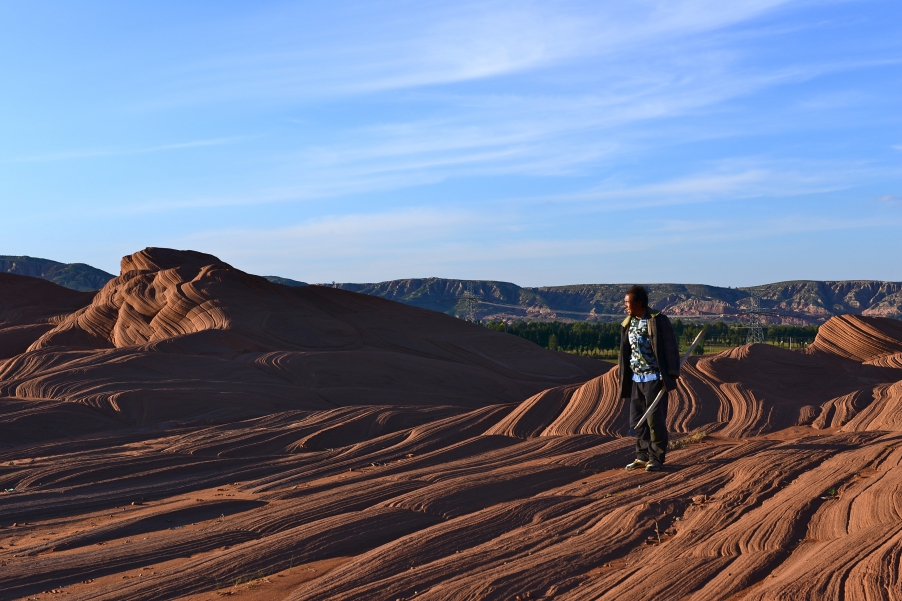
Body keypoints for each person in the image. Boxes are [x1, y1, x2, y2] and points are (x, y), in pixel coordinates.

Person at [619, 285, 681, 472]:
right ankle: (642, 456)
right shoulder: (628, 322)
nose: (625, 307)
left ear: (638, 303)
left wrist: (670, 375)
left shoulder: (658, 321)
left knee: (655, 420)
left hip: (655, 377)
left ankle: (656, 458)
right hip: (636, 378)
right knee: (638, 420)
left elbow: (670, 348)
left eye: (627, 303)